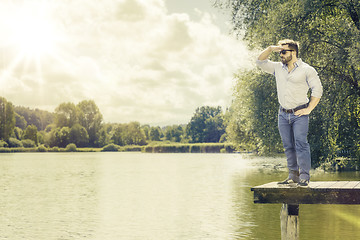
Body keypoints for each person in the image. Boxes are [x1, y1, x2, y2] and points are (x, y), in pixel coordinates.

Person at [256, 39, 323, 187]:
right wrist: (270, 49)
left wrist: (309, 109)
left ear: (293, 52)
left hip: (300, 113)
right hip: (282, 114)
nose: (281, 54)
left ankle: (304, 177)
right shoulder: (278, 68)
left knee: (301, 144)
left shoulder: (307, 69)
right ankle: (293, 175)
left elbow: (317, 90)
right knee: (288, 146)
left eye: (283, 52)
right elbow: (259, 61)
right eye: (280, 52)